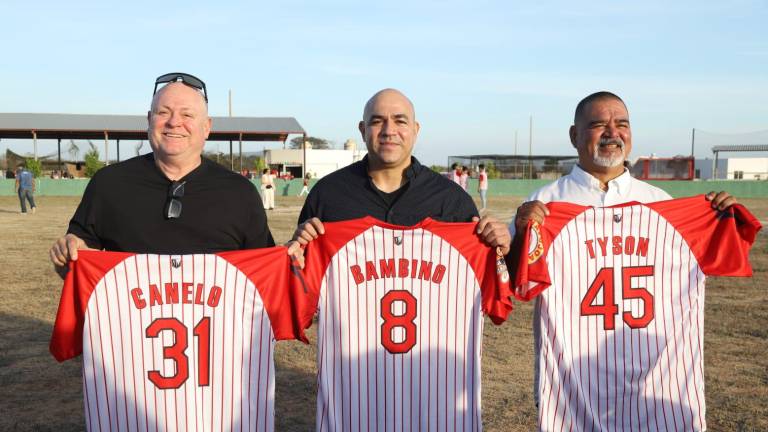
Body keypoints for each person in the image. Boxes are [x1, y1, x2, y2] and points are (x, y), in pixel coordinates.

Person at [506, 91, 739, 430]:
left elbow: (704, 268)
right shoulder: (543, 204)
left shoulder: (660, 204)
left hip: (656, 383)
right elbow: (513, 280)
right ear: (574, 135)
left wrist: (718, 218)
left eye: (622, 124)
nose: (612, 133)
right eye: (599, 125)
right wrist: (520, 235)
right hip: (573, 387)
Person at [49, 72, 275, 272]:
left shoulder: (240, 193)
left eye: (187, 115)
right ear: (149, 121)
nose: (174, 122)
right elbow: (79, 263)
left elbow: (264, 275)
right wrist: (69, 254)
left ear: (207, 127)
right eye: (163, 112)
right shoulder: (108, 184)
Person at [292, 88, 510, 252]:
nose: (389, 131)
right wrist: (297, 248)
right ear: (362, 130)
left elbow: (483, 279)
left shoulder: (453, 200)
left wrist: (500, 248)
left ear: (415, 130)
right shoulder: (327, 194)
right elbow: (300, 278)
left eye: (400, 121)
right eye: (378, 121)